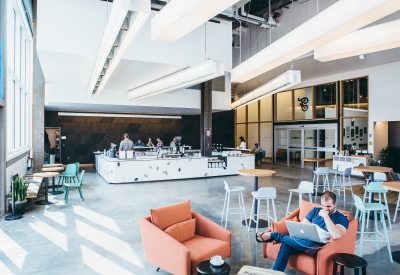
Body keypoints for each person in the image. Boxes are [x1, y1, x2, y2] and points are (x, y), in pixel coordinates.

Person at [255, 191, 348, 272]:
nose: (325, 209)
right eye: (323, 206)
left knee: (303, 243)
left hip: (317, 244)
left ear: (335, 203)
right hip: (305, 239)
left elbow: (336, 235)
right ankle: (276, 273)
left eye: (328, 206)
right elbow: (302, 226)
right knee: (285, 246)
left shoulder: (341, 218)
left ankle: (274, 235)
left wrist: (326, 216)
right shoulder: (316, 210)